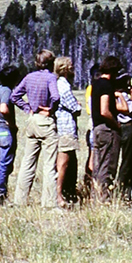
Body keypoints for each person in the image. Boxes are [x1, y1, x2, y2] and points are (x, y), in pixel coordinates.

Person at [12, 49, 59, 207]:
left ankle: (20, 200)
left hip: (32, 121)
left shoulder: (29, 77)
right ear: (51, 63)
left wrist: (28, 108)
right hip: (45, 121)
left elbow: (14, 96)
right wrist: (50, 109)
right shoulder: (51, 78)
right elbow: (56, 97)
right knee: (49, 164)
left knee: (28, 162)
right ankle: (49, 203)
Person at [90, 54, 122, 199]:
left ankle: (95, 195)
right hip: (107, 129)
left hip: (97, 128)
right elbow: (104, 110)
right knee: (107, 165)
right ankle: (103, 197)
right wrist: (116, 124)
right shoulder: (106, 85)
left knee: (98, 164)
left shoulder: (96, 84)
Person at [53, 55, 82, 206]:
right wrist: (78, 106)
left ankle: (68, 192)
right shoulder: (63, 85)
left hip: (63, 127)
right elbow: (74, 106)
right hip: (65, 128)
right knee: (63, 163)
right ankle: (59, 195)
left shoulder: (59, 83)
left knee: (69, 162)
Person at [0, 65, 19, 205]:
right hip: (5, 131)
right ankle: (0, 196)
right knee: (4, 166)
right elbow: (3, 108)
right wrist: (11, 123)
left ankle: (2, 193)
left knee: (4, 164)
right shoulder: (7, 91)